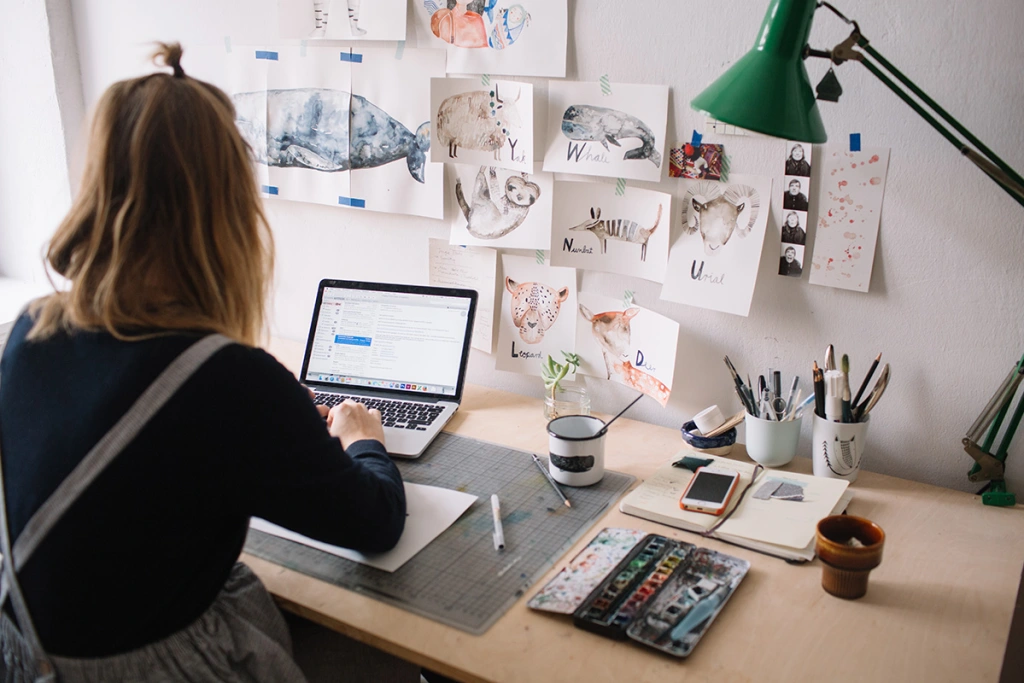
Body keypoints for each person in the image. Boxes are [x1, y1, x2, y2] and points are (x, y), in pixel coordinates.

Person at [0, 44, 416, 682]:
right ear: (228, 208)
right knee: (387, 661)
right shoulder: (230, 382)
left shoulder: (30, 329)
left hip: (25, 653)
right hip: (151, 669)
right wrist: (363, 440)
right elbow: (376, 522)